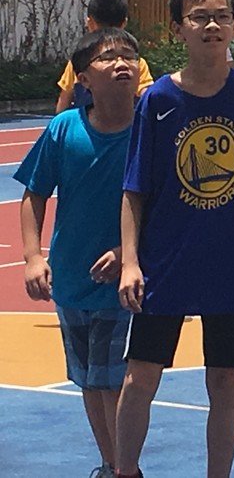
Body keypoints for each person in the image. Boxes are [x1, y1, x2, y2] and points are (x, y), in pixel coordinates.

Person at [115, 0, 234, 478]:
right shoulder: (158, 100)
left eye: (221, 16)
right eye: (199, 17)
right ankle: (124, 470)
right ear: (178, 29)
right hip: (166, 260)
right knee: (140, 377)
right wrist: (130, 262)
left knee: (225, 379)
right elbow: (134, 189)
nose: (212, 25)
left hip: (232, 261)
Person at [16, 28, 142, 478]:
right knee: (89, 380)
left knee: (114, 382)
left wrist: (127, 252)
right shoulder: (63, 129)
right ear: (83, 78)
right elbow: (34, 194)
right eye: (109, 57)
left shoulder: (151, 129)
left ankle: (126, 468)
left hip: (123, 285)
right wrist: (33, 257)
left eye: (129, 55)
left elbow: (164, 205)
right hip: (72, 280)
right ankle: (110, 464)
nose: (122, 63)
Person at [55, 0, 154, 113]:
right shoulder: (136, 63)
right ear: (124, 23)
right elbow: (147, 97)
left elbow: (64, 101)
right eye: (107, 58)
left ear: (90, 23)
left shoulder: (78, 63)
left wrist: (59, 121)